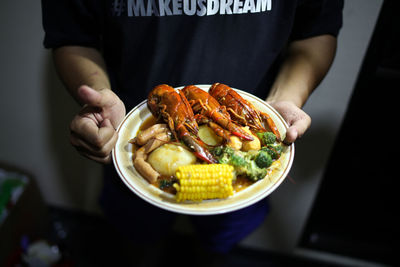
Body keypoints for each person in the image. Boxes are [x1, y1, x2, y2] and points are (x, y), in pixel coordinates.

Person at [41, 0, 343, 264]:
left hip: (245, 137)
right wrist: (97, 93)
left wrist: (284, 101)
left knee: (219, 243)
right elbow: (72, 35)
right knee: (136, 237)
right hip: (124, 130)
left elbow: (316, 31)